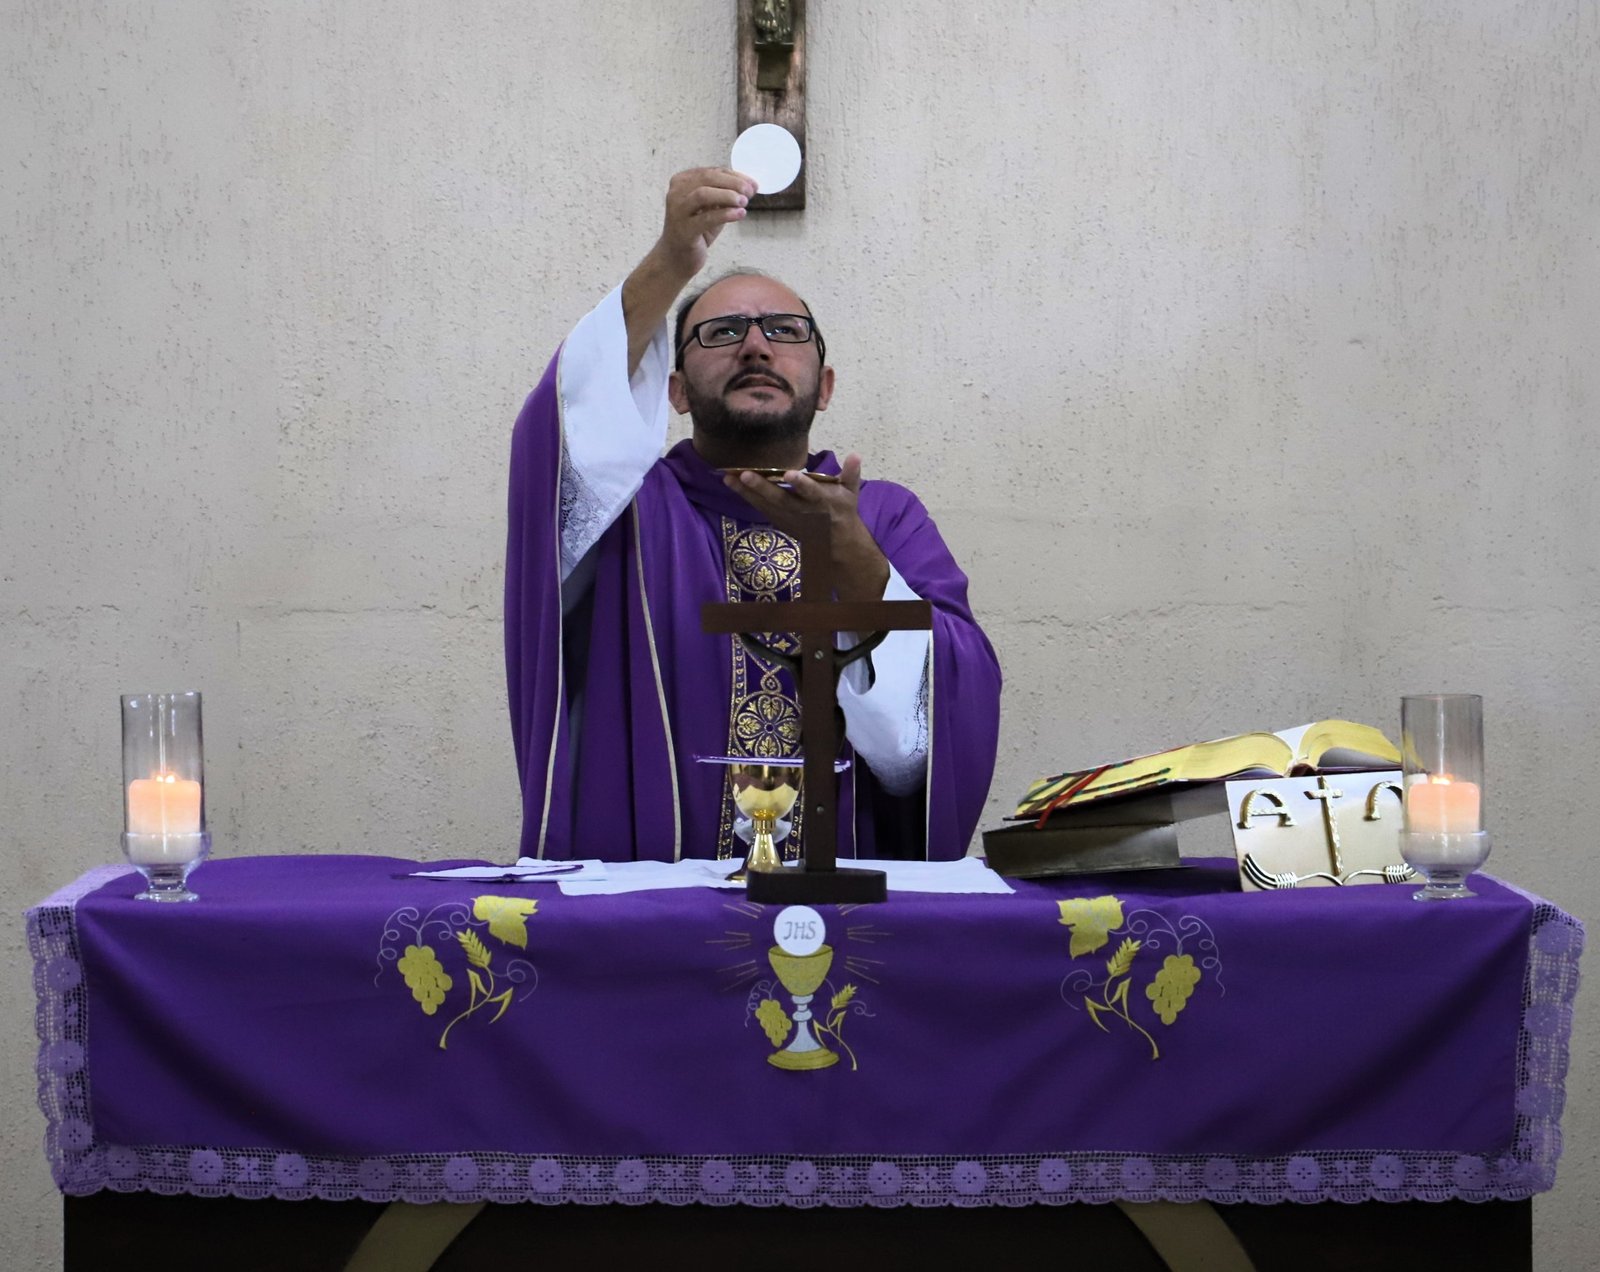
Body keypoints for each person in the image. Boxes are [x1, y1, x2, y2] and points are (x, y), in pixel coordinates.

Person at [505, 167, 1001, 863]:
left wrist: (857, 561)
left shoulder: (887, 517)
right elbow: (563, 433)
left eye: (785, 330)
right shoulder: (624, 517)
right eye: (723, 331)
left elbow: (917, 751)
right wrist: (671, 263)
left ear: (824, 387)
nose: (756, 345)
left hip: (844, 915)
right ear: (672, 389)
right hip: (652, 925)